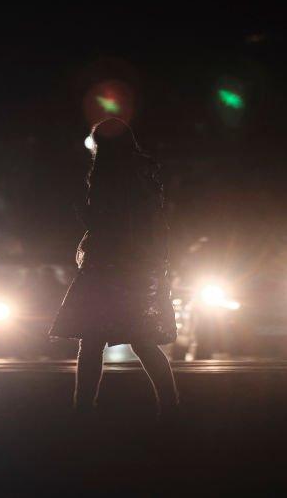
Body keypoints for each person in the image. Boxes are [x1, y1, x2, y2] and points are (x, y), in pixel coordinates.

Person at [49, 118, 179, 416]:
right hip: (138, 267)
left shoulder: (108, 173)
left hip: (107, 266)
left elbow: (104, 222)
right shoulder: (145, 172)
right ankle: (171, 406)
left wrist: (82, 211)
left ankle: (82, 408)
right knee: (142, 340)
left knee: (91, 340)